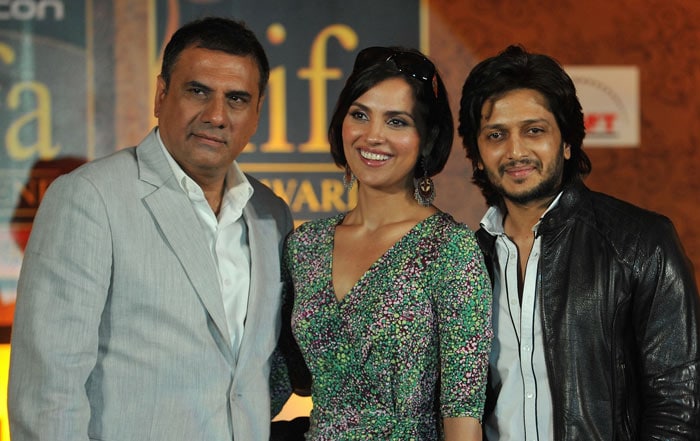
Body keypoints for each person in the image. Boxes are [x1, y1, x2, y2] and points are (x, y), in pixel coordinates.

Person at [9, 17, 297, 441]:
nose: (216, 115)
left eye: (236, 99)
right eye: (198, 91)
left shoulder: (271, 213)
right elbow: (47, 393)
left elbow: (252, 379)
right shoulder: (90, 198)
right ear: (161, 95)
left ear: (256, 114)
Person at [457, 44, 700, 440]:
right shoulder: (464, 262)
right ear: (478, 156)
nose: (516, 151)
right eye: (496, 135)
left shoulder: (641, 244)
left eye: (534, 130)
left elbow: (680, 403)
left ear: (567, 143)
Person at [280, 46, 493, 440]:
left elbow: (463, 415)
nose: (373, 135)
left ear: (426, 139)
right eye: (359, 114)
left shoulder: (449, 249)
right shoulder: (305, 245)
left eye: (397, 121)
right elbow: (276, 378)